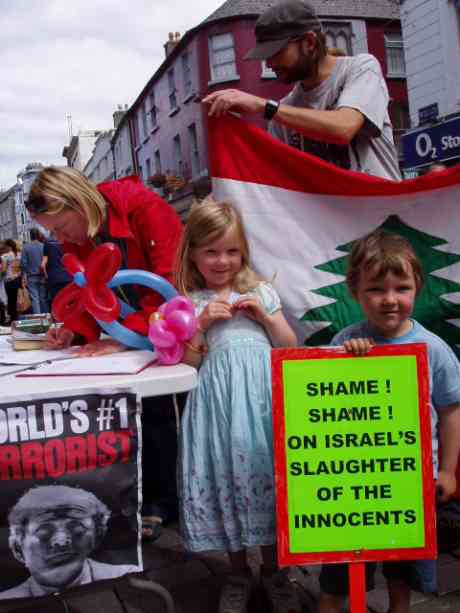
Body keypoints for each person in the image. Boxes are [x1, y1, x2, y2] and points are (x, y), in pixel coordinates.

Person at [26, 166, 184, 542]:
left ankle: (163, 501)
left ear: (80, 203)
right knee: (123, 410)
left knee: (159, 409)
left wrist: (126, 335)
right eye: (54, 232)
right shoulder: (82, 227)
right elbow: (89, 288)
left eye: (62, 228)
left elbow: (173, 281)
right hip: (130, 329)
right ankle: (136, 493)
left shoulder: (147, 210)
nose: (60, 238)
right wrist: (73, 330)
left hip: (163, 325)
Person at [318, 230, 460, 613]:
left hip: (409, 485)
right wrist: (344, 361)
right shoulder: (344, 343)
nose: (390, 299)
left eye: (402, 288)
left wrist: (447, 470)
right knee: (339, 574)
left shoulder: (433, 349)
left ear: (418, 288)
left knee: (402, 575)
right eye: (376, 289)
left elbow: (451, 410)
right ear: (355, 292)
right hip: (349, 488)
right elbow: (318, 408)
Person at [175, 197, 299, 613]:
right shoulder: (189, 301)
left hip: (262, 406)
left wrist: (266, 317)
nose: (222, 260)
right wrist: (202, 325)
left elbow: (288, 346)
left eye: (231, 250)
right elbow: (188, 363)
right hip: (217, 410)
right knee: (224, 480)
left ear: (243, 251)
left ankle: (274, 571)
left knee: (266, 481)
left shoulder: (260, 290)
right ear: (192, 252)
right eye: (210, 251)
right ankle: (237, 573)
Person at [202, 0, 401, 181]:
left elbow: (345, 128)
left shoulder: (361, 68)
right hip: (332, 219)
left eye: (276, 52)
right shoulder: (284, 113)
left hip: (386, 215)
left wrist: (263, 107)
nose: (270, 63)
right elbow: (278, 180)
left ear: (309, 43)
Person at [0, 485, 138, 599]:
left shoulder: (129, 577)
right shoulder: (6, 601)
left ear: (95, 539)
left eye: (76, 529)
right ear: (18, 549)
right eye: (44, 532)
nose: (61, 541)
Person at [20, 227, 48, 314]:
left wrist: (24, 275)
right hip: (42, 275)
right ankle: (46, 317)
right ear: (38, 235)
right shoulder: (43, 246)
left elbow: (23, 263)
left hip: (31, 276)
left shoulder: (26, 247)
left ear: (30, 236)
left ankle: (38, 319)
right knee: (43, 298)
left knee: (35, 299)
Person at [40, 233, 72, 306]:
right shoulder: (67, 242)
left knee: (57, 303)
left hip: (54, 278)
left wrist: (46, 276)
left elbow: (42, 265)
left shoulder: (47, 243)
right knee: (69, 301)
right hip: (68, 276)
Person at [1, 239, 22, 323]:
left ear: (8, 246)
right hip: (17, 279)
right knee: (15, 299)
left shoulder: (5, 256)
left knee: (10, 300)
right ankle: (16, 317)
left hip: (9, 280)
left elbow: (3, 270)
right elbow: (21, 268)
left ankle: (12, 319)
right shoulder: (19, 255)